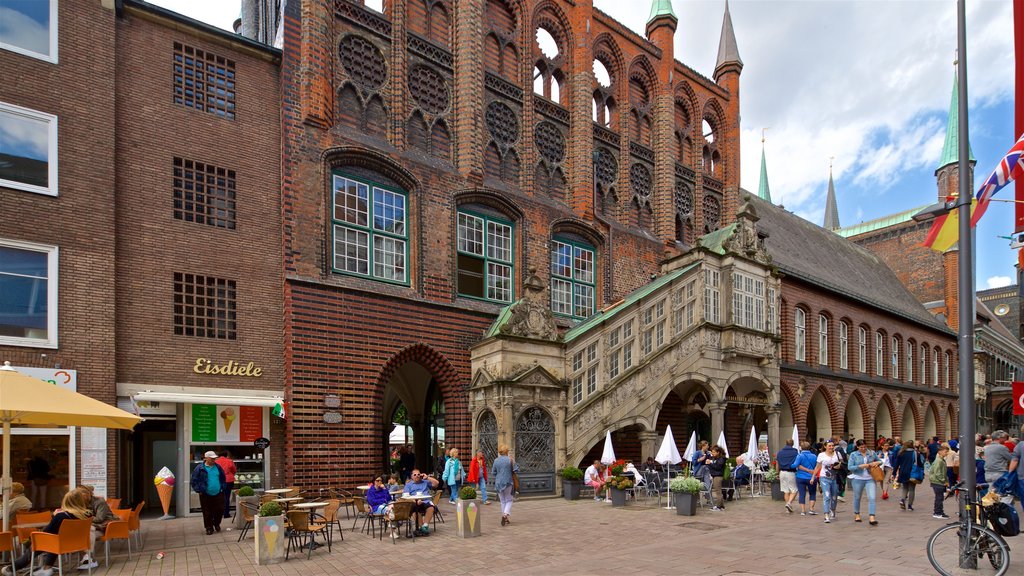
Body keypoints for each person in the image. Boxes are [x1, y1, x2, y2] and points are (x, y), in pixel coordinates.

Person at [2, 488, 93, 576]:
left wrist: (30, 540)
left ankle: (11, 568)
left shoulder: (60, 516)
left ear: (66, 501)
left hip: (59, 543)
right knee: (54, 538)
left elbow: (47, 531)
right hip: (79, 544)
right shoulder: (88, 515)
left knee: (38, 542)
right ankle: (47, 567)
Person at [75, 484, 118, 570]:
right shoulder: (80, 503)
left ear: (88, 494)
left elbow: (99, 518)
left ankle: (89, 559)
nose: (79, 499)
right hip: (93, 527)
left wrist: (83, 517)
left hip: (104, 527)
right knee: (80, 533)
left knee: (88, 530)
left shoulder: (100, 502)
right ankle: (86, 557)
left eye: (81, 496)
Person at [190, 450, 227, 535]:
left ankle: (216, 523)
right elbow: (194, 481)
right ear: (206, 458)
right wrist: (199, 490)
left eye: (214, 458)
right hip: (205, 493)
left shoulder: (218, 467)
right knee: (207, 512)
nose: (214, 460)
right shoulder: (199, 468)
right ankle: (209, 528)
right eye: (212, 458)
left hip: (218, 492)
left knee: (220, 509)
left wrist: (223, 488)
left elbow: (223, 478)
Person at [847, 440, 880, 526]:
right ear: (857, 447)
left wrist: (876, 463)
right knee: (857, 497)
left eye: (865, 446)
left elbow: (880, 461)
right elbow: (850, 467)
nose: (863, 448)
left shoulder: (871, 453)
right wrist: (859, 466)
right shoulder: (853, 454)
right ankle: (857, 514)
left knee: (872, 497)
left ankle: (872, 517)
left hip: (870, 478)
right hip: (858, 478)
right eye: (861, 447)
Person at [402, 468, 439, 536]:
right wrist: (415, 501)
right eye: (415, 474)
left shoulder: (425, 482)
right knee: (414, 510)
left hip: (425, 500)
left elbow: (436, 483)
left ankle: (425, 525)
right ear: (412, 476)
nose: (417, 476)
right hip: (415, 502)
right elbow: (405, 496)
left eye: (418, 474)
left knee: (431, 507)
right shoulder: (408, 485)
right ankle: (422, 528)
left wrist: (427, 477)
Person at [811, 440, 841, 523]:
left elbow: (841, 464)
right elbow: (817, 467)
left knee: (834, 497)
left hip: (834, 478)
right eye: (829, 446)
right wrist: (813, 477)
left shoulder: (837, 454)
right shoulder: (821, 455)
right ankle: (826, 515)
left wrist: (839, 466)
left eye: (832, 445)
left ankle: (833, 510)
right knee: (827, 496)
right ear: (825, 446)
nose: (831, 447)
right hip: (824, 478)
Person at [893, 441, 922, 511]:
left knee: (905, 488)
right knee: (912, 489)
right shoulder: (915, 453)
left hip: (903, 472)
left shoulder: (901, 453)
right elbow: (920, 464)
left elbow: (896, 464)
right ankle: (910, 505)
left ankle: (902, 500)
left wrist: (894, 473)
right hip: (912, 472)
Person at [492, 444, 516, 526]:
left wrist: (499, 476)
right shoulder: (510, 460)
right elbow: (516, 469)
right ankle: (505, 514)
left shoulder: (496, 460)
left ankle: (505, 518)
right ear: (506, 451)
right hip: (508, 481)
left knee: (502, 501)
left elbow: (493, 472)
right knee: (509, 500)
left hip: (498, 482)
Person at [794, 441, 819, 516]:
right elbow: (817, 466)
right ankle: (811, 509)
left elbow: (794, 465)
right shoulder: (814, 456)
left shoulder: (799, 456)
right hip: (811, 477)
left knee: (802, 493)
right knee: (812, 493)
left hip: (800, 477)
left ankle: (803, 510)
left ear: (801, 448)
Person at [775, 439, 799, 514]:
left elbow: (777, 463)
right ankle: (789, 503)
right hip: (790, 472)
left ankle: (788, 508)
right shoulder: (795, 452)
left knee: (786, 490)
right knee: (794, 490)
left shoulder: (780, 452)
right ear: (792, 444)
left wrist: (777, 473)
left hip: (782, 472)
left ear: (785, 443)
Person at [930, 443, 950, 519]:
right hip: (937, 482)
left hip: (937, 481)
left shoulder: (941, 460)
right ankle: (938, 512)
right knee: (939, 498)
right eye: (945, 451)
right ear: (940, 452)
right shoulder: (939, 461)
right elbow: (938, 473)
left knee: (939, 497)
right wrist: (944, 481)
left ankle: (939, 512)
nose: (947, 453)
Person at [215, 450, 237, 519]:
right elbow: (234, 470)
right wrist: (230, 475)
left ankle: (218, 513)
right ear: (226, 455)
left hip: (218, 481)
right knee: (227, 497)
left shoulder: (216, 461)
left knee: (218, 497)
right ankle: (226, 513)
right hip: (229, 480)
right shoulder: (229, 461)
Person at [706, 445, 727, 511]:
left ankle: (718, 507)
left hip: (718, 476)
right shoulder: (715, 458)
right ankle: (722, 506)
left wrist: (710, 464)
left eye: (714, 452)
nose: (712, 453)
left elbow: (717, 467)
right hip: (715, 476)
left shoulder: (721, 459)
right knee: (718, 491)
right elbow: (712, 467)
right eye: (712, 452)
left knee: (718, 492)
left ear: (718, 452)